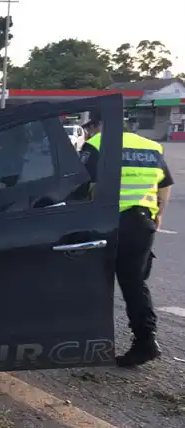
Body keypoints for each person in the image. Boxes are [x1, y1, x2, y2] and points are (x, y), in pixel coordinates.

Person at [79, 110, 174, 367]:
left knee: (92, 280)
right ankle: (146, 341)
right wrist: (159, 215)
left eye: (90, 127)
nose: (89, 131)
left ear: (99, 125)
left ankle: (87, 341)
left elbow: (79, 184)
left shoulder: (96, 144)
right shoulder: (151, 147)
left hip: (106, 223)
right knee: (134, 284)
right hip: (140, 223)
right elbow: (165, 184)